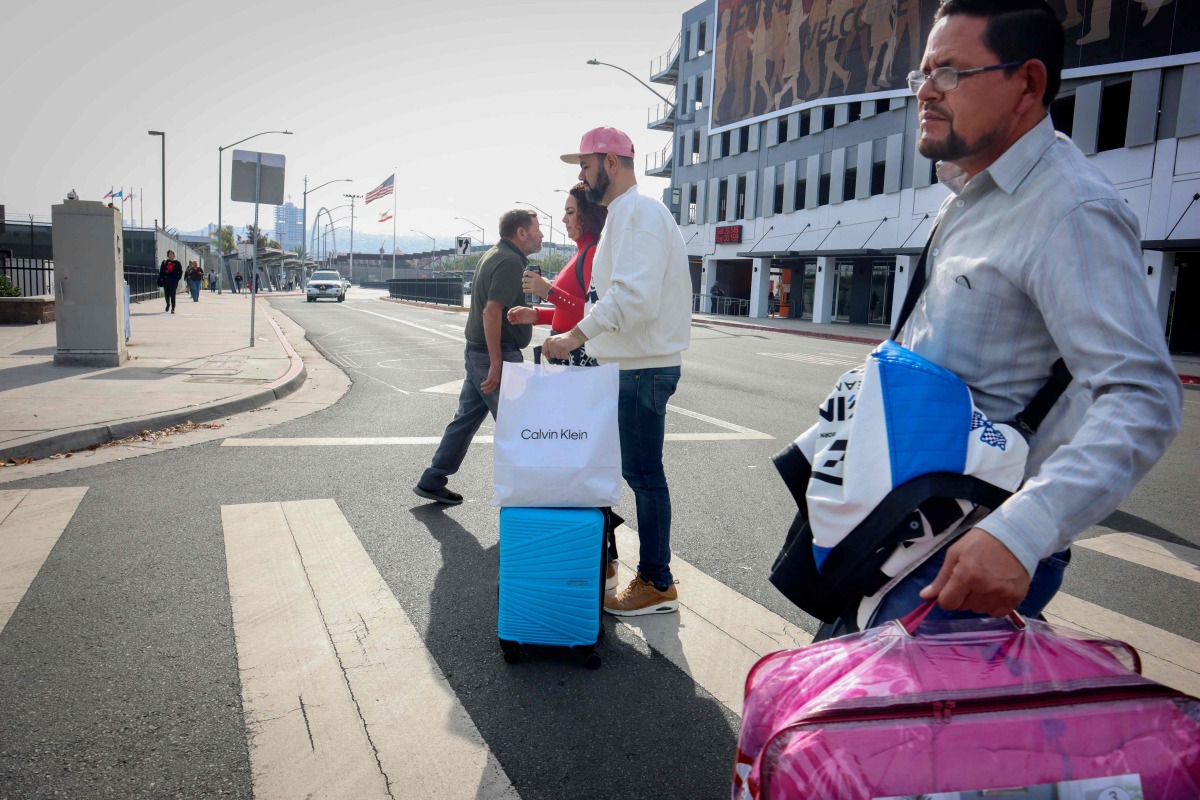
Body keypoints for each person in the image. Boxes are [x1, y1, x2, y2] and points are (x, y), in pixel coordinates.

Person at [851, 0, 1182, 631]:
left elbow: (1143, 394)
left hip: (967, 548)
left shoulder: (1070, 209)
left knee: (875, 727)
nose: (925, 92)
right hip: (906, 523)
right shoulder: (970, 195)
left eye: (948, 73)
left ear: (1027, 84)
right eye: (921, 74)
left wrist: (1022, 531)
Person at [545, 126, 692, 616]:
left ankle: (656, 580)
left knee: (644, 476)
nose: (582, 179)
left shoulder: (638, 214)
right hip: (629, 366)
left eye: (586, 166)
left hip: (640, 368)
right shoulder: (625, 216)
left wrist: (572, 337)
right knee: (622, 471)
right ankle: (617, 564)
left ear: (611, 162)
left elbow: (633, 297)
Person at [507, 183, 624, 591]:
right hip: (564, 364)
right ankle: (592, 557)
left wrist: (545, 293)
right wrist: (535, 314)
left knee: (578, 462)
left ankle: (602, 559)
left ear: (589, 214)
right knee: (569, 461)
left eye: (571, 211)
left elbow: (590, 312)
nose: (565, 218)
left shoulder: (593, 254)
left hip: (579, 367)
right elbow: (566, 311)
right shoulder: (581, 253)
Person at [414, 209, 543, 505]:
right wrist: (497, 365)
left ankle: (432, 479)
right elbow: (491, 311)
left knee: (466, 420)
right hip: (491, 355)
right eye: (537, 229)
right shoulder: (510, 261)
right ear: (521, 233)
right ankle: (528, 496)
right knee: (517, 424)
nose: (541, 235)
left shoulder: (496, 254)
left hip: (479, 353)